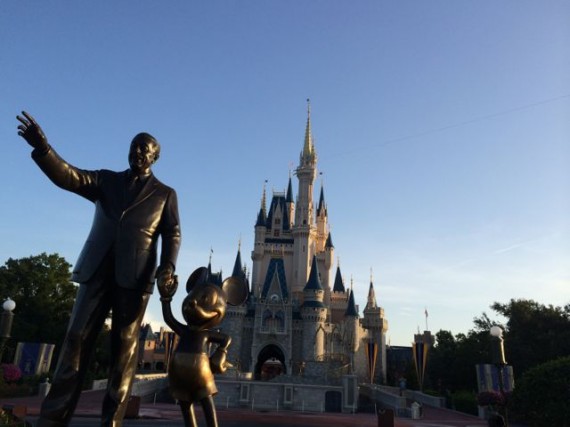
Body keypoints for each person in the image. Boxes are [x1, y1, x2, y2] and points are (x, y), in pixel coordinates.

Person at [16, 111, 181, 427]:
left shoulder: (165, 195)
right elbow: (70, 176)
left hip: (134, 279)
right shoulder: (106, 180)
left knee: (124, 353)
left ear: (154, 157)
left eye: (144, 149)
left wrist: (168, 267)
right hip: (96, 271)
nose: (137, 152)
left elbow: (172, 233)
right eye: (134, 146)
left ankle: (112, 422)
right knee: (75, 340)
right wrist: (43, 149)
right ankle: (52, 418)